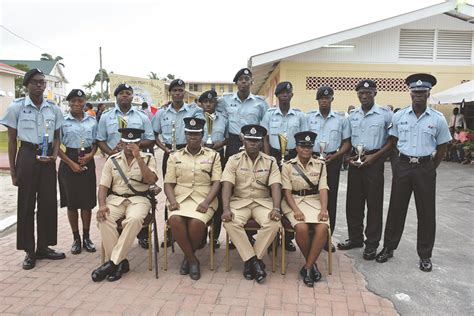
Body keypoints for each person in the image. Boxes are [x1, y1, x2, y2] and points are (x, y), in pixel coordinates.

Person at [376, 74, 451, 272]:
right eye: (415, 92)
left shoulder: (438, 119)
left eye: (422, 92)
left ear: (428, 94)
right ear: (410, 93)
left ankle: (425, 255)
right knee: (396, 209)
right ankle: (389, 248)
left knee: (426, 213)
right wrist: (398, 166)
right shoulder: (399, 116)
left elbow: (442, 147)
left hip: (425, 167)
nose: (418, 96)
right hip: (403, 165)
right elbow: (392, 143)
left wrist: (430, 167)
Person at [0, 68, 66, 269]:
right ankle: (29, 250)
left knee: (47, 203)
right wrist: (13, 170)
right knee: (27, 203)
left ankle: (44, 247)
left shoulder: (53, 109)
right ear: (27, 85)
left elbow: (57, 137)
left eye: (42, 82)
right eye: (36, 82)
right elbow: (11, 142)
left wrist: (55, 156)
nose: (40, 85)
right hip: (27, 156)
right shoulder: (16, 107)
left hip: (47, 159)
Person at [91, 128, 158, 282]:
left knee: (134, 219)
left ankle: (112, 263)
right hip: (116, 199)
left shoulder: (148, 158)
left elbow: (151, 180)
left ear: (139, 143)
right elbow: (103, 186)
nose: (130, 145)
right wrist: (101, 205)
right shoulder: (112, 160)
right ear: (121, 142)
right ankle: (120, 263)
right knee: (103, 217)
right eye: (127, 142)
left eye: (133, 142)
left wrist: (138, 158)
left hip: (139, 199)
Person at [337, 80, 393, 262]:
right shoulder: (352, 116)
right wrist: (347, 158)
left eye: (368, 93)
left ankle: (372, 244)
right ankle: (355, 239)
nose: (364, 96)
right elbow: (345, 140)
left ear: (375, 93)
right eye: (361, 93)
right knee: (353, 203)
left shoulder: (385, 115)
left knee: (374, 205)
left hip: (374, 162)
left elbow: (392, 142)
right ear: (357, 95)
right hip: (355, 162)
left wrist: (375, 157)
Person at [96, 83, 155, 249]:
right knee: (113, 196)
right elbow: (100, 139)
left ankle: (142, 236)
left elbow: (150, 138)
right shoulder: (106, 117)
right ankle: (117, 239)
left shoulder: (141, 117)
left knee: (138, 195)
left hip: (136, 160)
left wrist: (133, 146)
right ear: (116, 96)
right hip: (115, 163)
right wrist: (111, 154)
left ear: (132, 97)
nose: (125, 96)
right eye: (122, 93)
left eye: (128, 93)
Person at [221, 125, 282, 284]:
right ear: (243, 140)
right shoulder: (233, 160)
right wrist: (226, 209)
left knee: (274, 222)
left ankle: (250, 262)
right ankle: (255, 262)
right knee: (230, 221)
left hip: (262, 202)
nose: (253, 143)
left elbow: (276, 186)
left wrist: (276, 208)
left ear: (261, 142)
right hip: (240, 202)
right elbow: (227, 184)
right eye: (249, 140)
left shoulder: (271, 161)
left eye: (256, 140)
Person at [164, 118, 222, 280]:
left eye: (196, 134)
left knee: (196, 222)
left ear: (202, 135)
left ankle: (187, 258)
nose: (193, 137)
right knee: (175, 219)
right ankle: (192, 259)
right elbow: (168, 183)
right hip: (180, 198)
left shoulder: (213, 156)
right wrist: (172, 201)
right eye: (190, 134)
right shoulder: (175, 156)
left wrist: (207, 202)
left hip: (204, 198)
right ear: (185, 135)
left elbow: (216, 182)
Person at [152, 79, 204, 247]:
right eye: (174, 90)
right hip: (170, 153)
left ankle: (193, 228)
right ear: (170, 93)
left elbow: (202, 131)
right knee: (171, 191)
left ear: (184, 92)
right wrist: (164, 148)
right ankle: (169, 232)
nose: (177, 93)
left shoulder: (194, 111)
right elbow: (154, 135)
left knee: (191, 187)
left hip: (189, 152)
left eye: (180, 90)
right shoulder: (161, 113)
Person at [261, 81, 307, 252]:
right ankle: (272, 237)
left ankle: (288, 238)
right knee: (272, 193)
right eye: (282, 93)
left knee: (290, 194)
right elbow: (265, 138)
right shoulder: (269, 115)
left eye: (288, 93)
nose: (285, 95)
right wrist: (267, 158)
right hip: (273, 155)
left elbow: (303, 139)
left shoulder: (300, 116)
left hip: (292, 157)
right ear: (277, 96)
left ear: (292, 95)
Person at [281, 131, 329, 287]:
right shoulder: (288, 166)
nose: (306, 150)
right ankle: (312, 266)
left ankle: (308, 267)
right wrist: (295, 210)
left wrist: (323, 209)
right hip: (293, 201)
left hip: (314, 201)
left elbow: (323, 190)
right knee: (301, 228)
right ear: (296, 148)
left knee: (323, 227)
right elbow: (286, 192)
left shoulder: (320, 165)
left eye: (309, 147)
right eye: (302, 146)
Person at [307, 86, 351, 252]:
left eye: (327, 98)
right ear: (317, 100)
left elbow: (347, 142)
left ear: (332, 99)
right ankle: (311, 236)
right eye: (321, 99)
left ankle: (326, 238)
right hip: (311, 160)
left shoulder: (341, 119)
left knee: (330, 200)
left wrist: (336, 156)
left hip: (332, 162)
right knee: (312, 198)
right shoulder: (308, 117)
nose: (324, 101)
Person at [58, 89, 98, 254]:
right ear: (69, 102)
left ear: (84, 102)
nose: (76, 104)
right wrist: (71, 163)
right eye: (73, 101)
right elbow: (56, 147)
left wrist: (91, 155)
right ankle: (76, 239)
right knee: (72, 203)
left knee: (87, 202)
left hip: (87, 158)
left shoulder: (92, 121)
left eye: (80, 101)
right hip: (69, 159)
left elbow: (97, 141)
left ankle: (87, 237)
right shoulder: (62, 121)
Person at [217, 68, 268, 161]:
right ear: (236, 83)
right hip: (233, 142)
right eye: (240, 79)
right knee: (231, 170)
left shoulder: (260, 103)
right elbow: (209, 106)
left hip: (253, 141)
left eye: (246, 79)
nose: (243, 81)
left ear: (251, 82)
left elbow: (266, 125)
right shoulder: (226, 99)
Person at [200, 89, 228, 249]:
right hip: (202, 159)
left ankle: (215, 236)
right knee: (203, 192)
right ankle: (201, 234)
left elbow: (227, 137)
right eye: (205, 102)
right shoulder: (196, 119)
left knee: (217, 196)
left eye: (211, 102)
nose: (209, 104)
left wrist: (221, 143)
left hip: (218, 156)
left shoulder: (223, 118)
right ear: (201, 104)